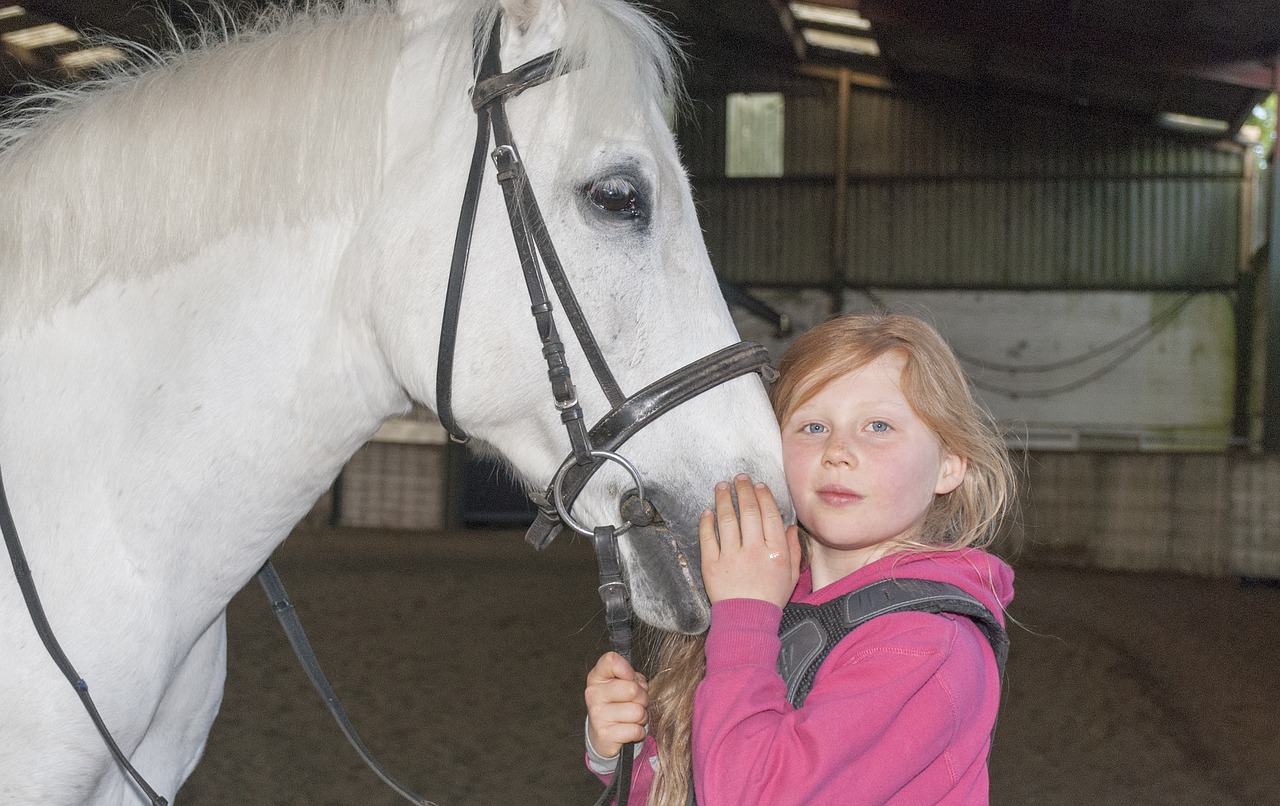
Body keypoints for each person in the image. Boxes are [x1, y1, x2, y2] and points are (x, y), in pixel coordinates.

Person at [583, 312, 1017, 805]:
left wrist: (744, 613)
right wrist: (625, 749)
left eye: (878, 426)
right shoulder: (774, 592)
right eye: (813, 426)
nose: (838, 450)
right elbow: (695, 784)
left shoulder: (927, 645)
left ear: (949, 465)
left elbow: (750, 795)